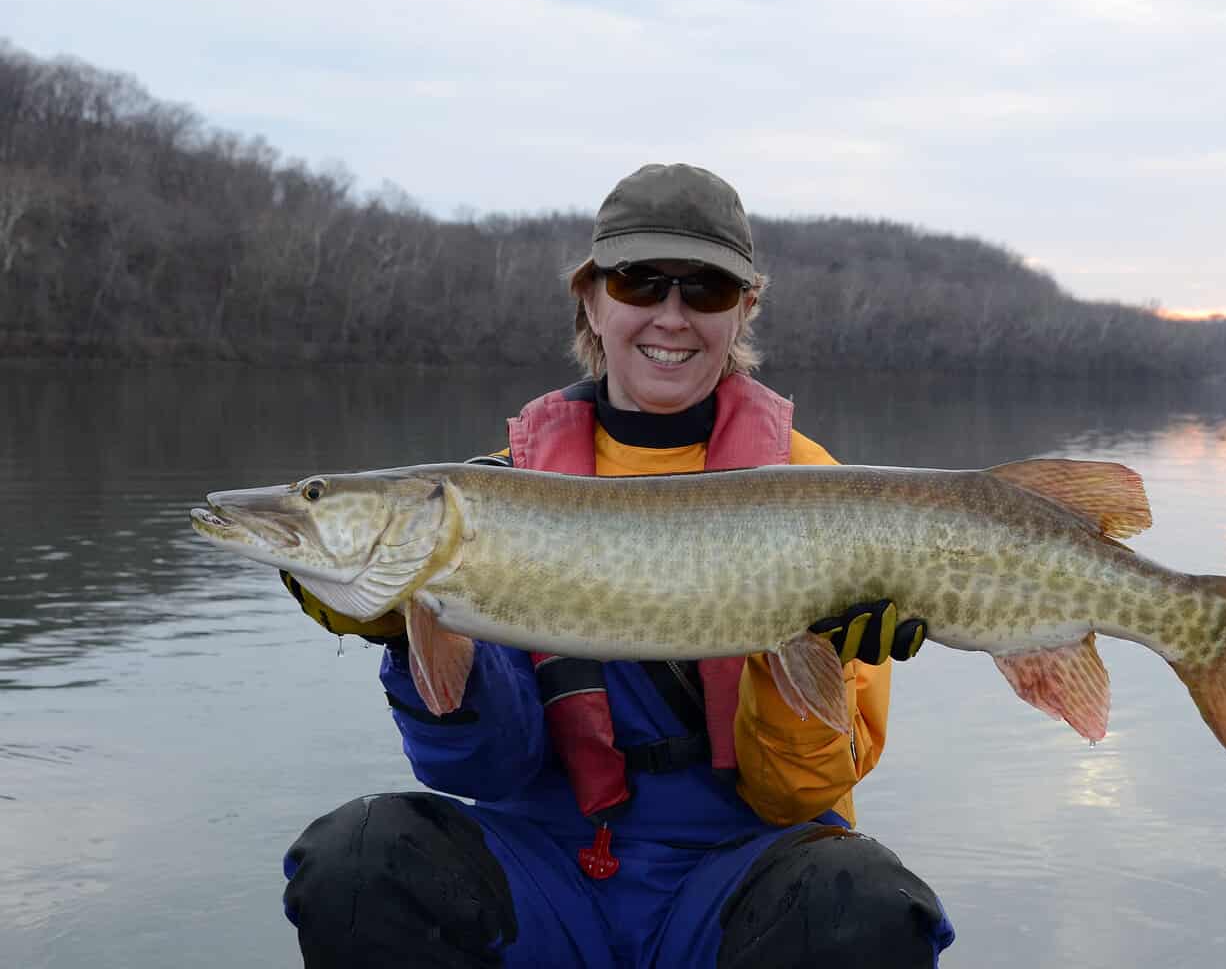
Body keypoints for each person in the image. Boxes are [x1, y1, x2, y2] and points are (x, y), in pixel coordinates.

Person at [278, 163, 957, 967]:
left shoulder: (824, 494)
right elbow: (482, 767)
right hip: (544, 869)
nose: (670, 316)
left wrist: (808, 656)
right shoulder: (491, 498)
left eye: (704, 290)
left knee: (858, 897)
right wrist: (404, 634)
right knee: (361, 859)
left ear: (743, 310)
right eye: (639, 283)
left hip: (734, 871)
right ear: (592, 299)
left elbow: (797, 797)